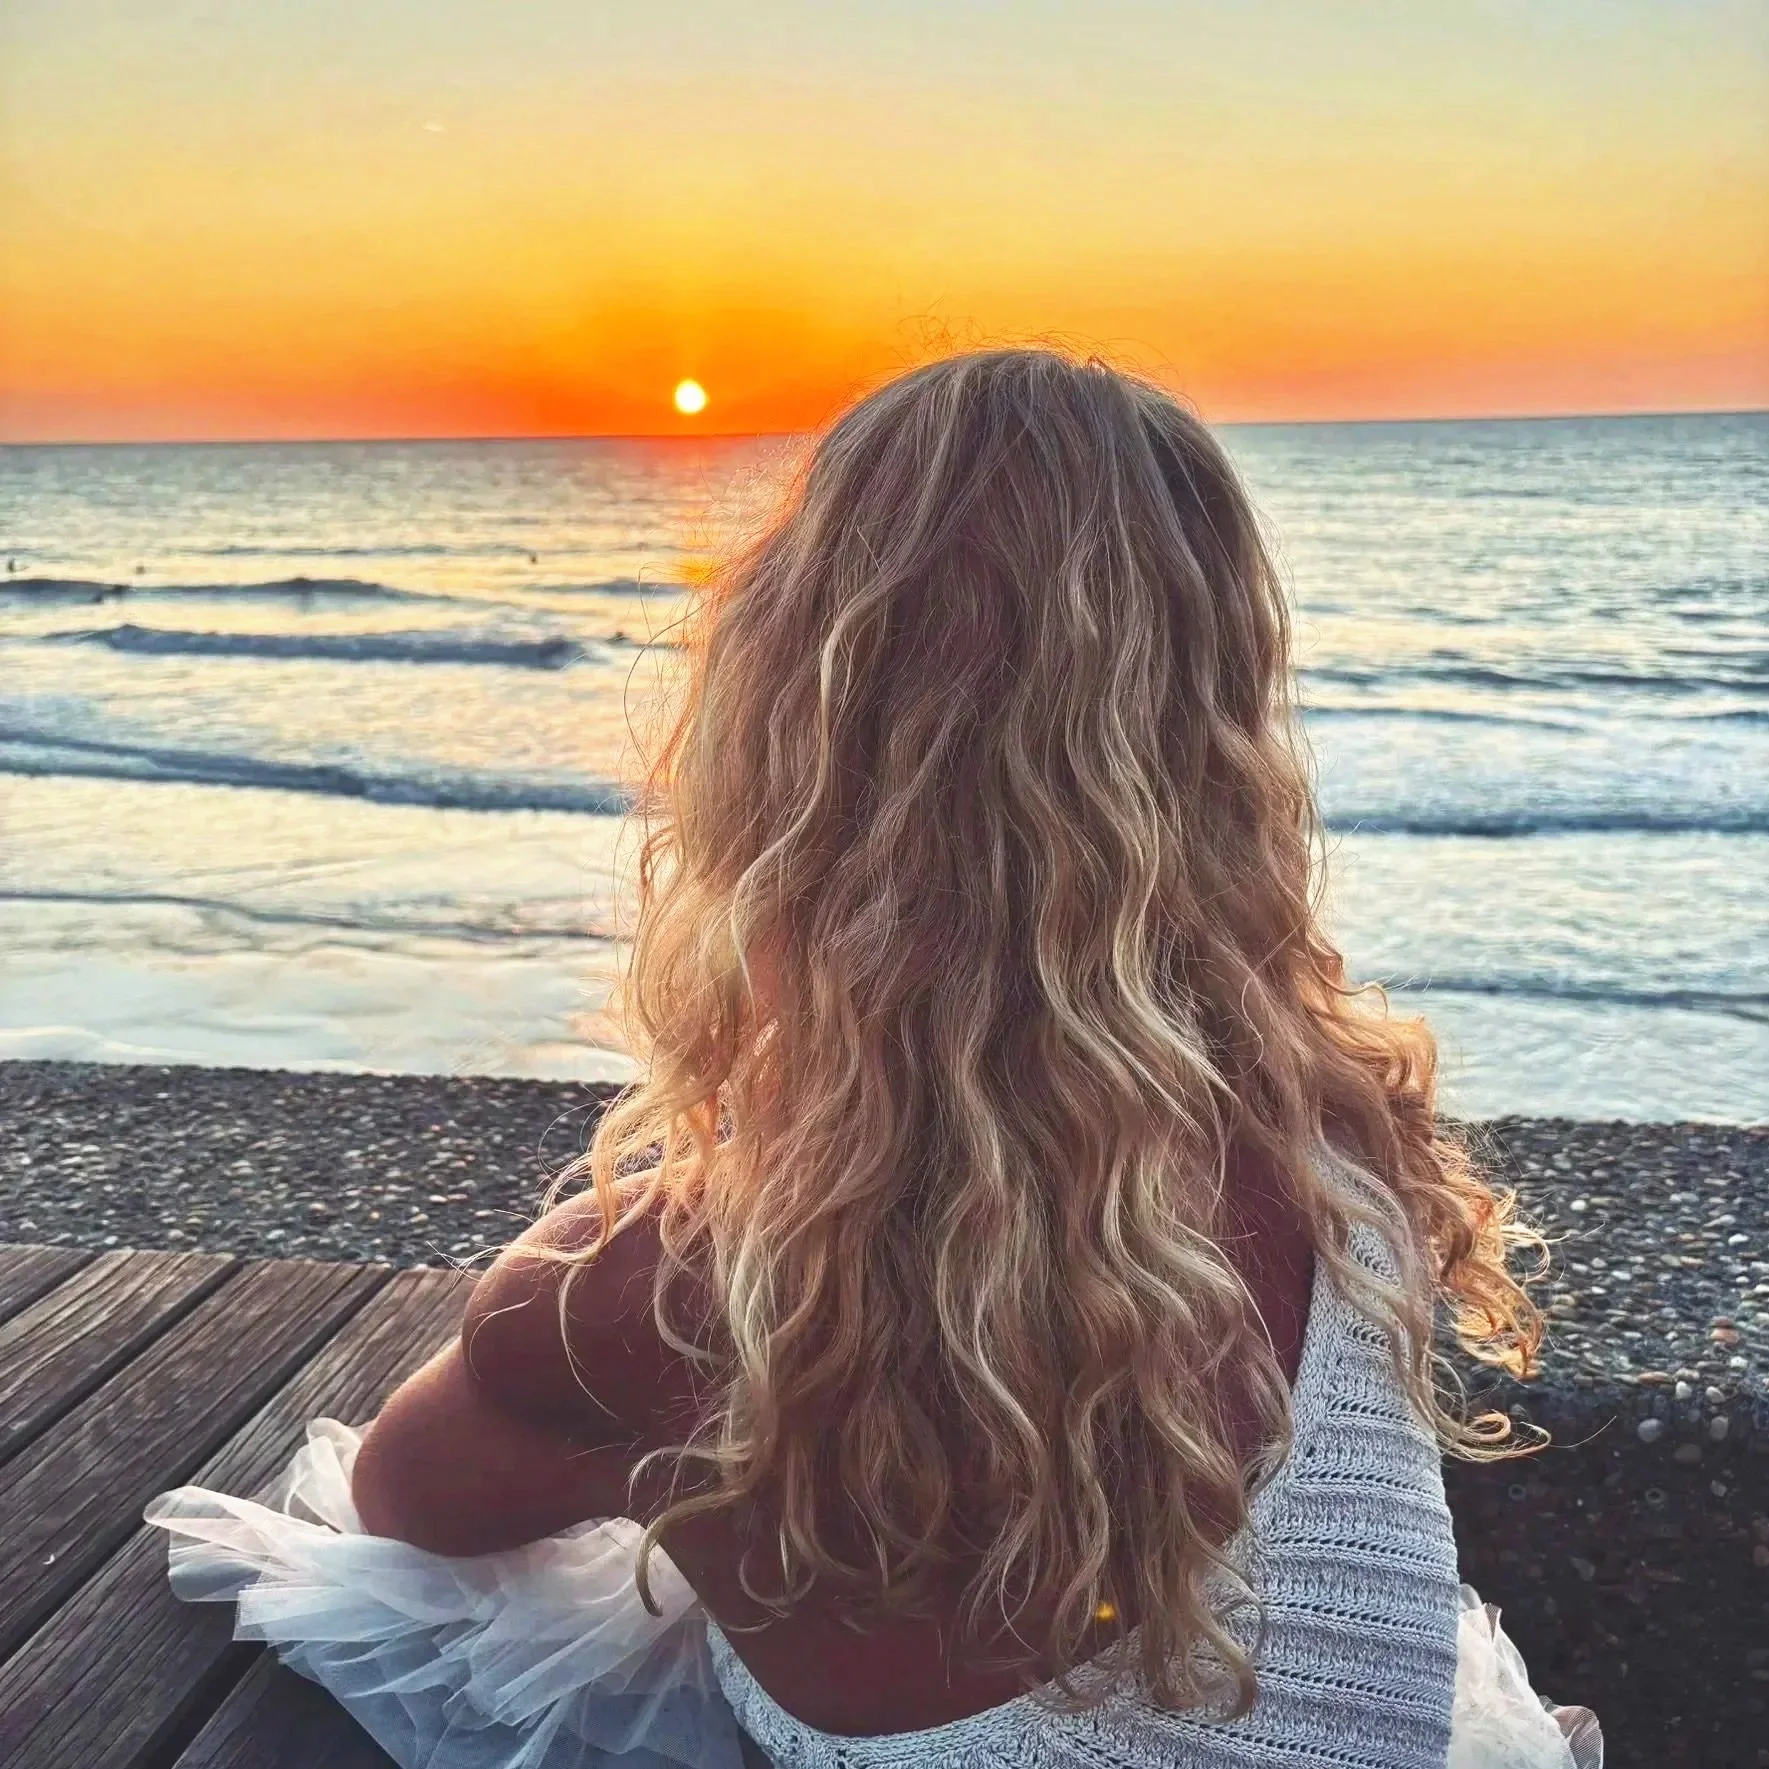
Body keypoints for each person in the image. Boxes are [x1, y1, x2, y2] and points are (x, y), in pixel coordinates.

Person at [148, 349, 1603, 1768]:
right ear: (1215, 722)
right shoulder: (1343, 1135)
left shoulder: (665, 1297)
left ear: (785, 721)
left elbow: (405, 1513)